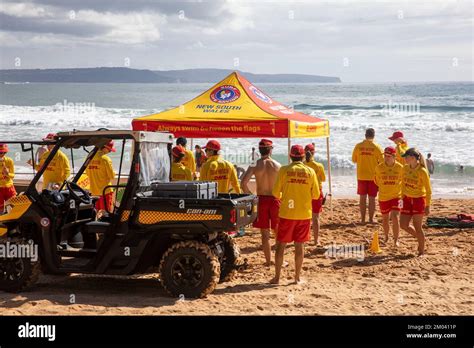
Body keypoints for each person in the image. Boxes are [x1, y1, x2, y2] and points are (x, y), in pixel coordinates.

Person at [270, 145, 320, 285]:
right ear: (304, 157)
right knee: (300, 246)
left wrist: (286, 196)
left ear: (290, 156)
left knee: (281, 245)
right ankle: (297, 278)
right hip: (304, 213)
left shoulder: (284, 170)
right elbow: (316, 195)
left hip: (287, 212)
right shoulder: (310, 171)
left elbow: (275, 193)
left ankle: (277, 278)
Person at [241, 139, 281, 266]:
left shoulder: (255, 164)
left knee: (264, 233)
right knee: (278, 232)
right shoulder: (278, 165)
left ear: (260, 150)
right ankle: (280, 259)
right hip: (275, 199)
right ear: (271, 150)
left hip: (261, 200)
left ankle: (268, 261)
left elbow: (243, 183)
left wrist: (251, 196)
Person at [400, 148, 432, 256]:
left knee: (417, 225)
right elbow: (402, 184)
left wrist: (427, 206)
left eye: (406, 157)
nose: (404, 158)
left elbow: (428, 190)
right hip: (407, 199)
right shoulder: (405, 168)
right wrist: (401, 198)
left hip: (419, 200)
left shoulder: (422, 171)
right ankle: (420, 238)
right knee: (403, 225)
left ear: (413, 158)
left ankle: (421, 251)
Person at [351, 128, 383, 223]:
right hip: (373, 176)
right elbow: (382, 162)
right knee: (372, 198)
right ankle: (371, 219)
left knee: (362, 198)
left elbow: (354, 160)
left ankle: (363, 219)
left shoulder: (358, 146)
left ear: (365, 135)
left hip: (361, 175)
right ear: (373, 136)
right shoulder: (376, 146)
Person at [374, 147, 403, 246]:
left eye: (388, 156)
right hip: (383, 196)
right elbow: (376, 181)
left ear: (394, 156)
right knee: (385, 218)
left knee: (395, 217)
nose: (386, 158)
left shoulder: (400, 168)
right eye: (385, 156)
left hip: (396, 196)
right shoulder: (379, 167)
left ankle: (396, 240)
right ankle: (386, 237)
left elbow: (403, 182)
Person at [304, 143, 326, 247]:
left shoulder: (302, 165)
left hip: (305, 192)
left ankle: (305, 238)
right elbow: (323, 179)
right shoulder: (318, 166)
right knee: (315, 217)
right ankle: (316, 240)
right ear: (314, 153)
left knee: (305, 217)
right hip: (316, 192)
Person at [86, 140, 116, 214]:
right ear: (104, 147)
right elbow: (112, 176)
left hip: (93, 191)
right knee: (106, 214)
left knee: (95, 213)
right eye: (109, 149)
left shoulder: (89, 157)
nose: (109, 151)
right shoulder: (105, 159)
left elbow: (87, 173)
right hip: (105, 191)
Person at [0, 143, 17, 212]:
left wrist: (7, 174)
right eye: (0, 152)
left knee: (13, 206)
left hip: (9, 186)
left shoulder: (9, 160)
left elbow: (13, 175)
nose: (2, 154)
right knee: (1, 210)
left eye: (4, 152)